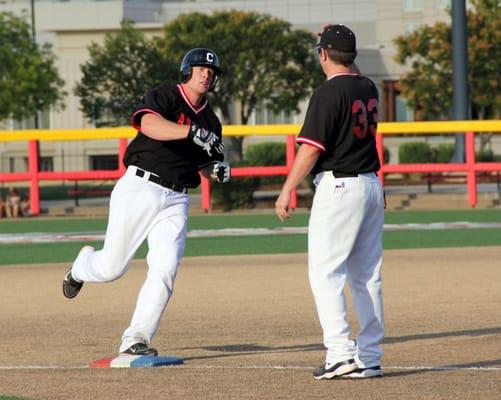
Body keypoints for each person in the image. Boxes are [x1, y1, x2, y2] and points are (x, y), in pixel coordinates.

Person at [62, 48, 230, 356]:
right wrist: (191, 132)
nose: (207, 74)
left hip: (177, 199)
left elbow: (206, 166)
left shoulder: (211, 120)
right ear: (186, 71)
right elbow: (150, 125)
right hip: (141, 186)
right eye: (200, 68)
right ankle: (81, 266)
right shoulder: (166, 95)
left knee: (165, 269)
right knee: (112, 268)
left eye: (212, 71)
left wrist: (216, 170)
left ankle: (136, 338)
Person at [275, 24, 384, 379]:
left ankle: (339, 353)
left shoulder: (327, 93)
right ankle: (369, 357)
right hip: (370, 184)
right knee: (367, 277)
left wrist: (288, 187)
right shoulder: (368, 86)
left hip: (339, 188)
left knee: (326, 273)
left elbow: (311, 149)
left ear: (324, 53)